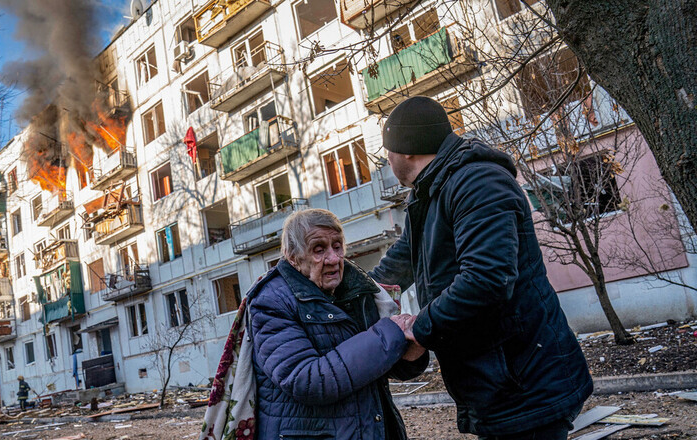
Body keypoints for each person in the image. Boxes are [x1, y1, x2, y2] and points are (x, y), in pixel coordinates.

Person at [370, 96, 593, 439]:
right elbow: (397, 266)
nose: (388, 160)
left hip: (523, 379)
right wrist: (335, 292)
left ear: (408, 150)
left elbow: (486, 279)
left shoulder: (477, 182)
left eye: (388, 152)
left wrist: (420, 328)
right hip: (496, 380)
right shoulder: (429, 195)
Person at [248, 209, 428, 439]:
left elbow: (376, 364)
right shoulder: (271, 301)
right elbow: (306, 380)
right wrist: (390, 333)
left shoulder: (358, 289)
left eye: (337, 246)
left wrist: (411, 349)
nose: (333, 258)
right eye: (319, 249)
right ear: (292, 257)